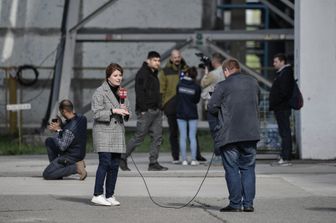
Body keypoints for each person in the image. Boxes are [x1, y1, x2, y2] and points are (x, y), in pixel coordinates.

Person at [208, 58, 260, 212]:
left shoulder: (222, 85)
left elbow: (211, 108)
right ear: (238, 68)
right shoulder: (253, 82)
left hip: (229, 134)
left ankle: (235, 204)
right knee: (248, 168)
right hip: (251, 133)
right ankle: (248, 204)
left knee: (232, 169)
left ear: (226, 71)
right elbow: (258, 100)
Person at [119, 51, 168, 171]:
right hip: (146, 111)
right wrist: (142, 109)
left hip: (156, 111)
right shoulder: (142, 74)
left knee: (157, 137)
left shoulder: (154, 73)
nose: (157, 63)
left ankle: (153, 163)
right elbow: (139, 93)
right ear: (148, 61)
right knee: (139, 136)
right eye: (155, 60)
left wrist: (160, 107)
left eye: (158, 60)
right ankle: (122, 157)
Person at [91, 63, 130, 206]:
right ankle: (97, 194)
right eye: (115, 75)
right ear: (108, 77)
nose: (119, 78)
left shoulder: (122, 92)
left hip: (117, 133)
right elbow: (96, 113)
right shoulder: (100, 92)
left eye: (120, 75)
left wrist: (125, 111)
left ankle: (110, 194)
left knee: (114, 165)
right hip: (104, 132)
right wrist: (114, 111)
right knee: (105, 163)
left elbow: (126, 112)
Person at [159, 49, 206, 164]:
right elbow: (161, 90)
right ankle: (176, 156)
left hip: (186, 104)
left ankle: (196, 155)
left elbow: (195, 83)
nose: (177, 59)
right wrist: (163, 105)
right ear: (171, 58)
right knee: (174, 133)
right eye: (175, 57)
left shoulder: (187, 69)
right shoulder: (164, 71)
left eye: (178, 57)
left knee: (192, 133)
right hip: (171, 104)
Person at [43, 100, 87, 181]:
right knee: (49, 141)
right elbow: (72, 133)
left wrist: (57, 130)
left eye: (60, 111)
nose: (60, 113)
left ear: (64, 111)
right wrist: (61, 125)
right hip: (79, 152)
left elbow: (62, 146)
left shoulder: (69, 130)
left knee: (47, 174)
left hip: (71, 157)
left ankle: (76, 168)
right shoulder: (82, 118)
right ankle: (58, 172)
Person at [269, 53, 295, 166]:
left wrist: (275, 102)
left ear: (282, 62)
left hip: (282, 107)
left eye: (276, 61)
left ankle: (286, 157)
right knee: (283, 132)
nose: (273, 64)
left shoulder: (286, 73)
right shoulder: (283, 73)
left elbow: (284, 92)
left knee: (285, 132)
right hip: (280, 107)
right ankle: (284, 155)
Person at [200, 52, 225, 165]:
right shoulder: (225, 72)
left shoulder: (213, 74)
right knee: (222, 130)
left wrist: (206, 69)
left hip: (212, 105)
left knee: (215, 131)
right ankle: (224, 155)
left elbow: (203, 83)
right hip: (224, 105)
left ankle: (218, 155)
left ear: (214, 61)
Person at [176, 67, 201, 166]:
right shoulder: (196, 87)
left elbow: (177, 96)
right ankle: (194, 159)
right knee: (192, 137)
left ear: (186, 74)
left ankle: (184, 160)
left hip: (181, 113)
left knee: (182, 137)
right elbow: (196, 100)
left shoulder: (180, 84)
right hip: (192, 114)